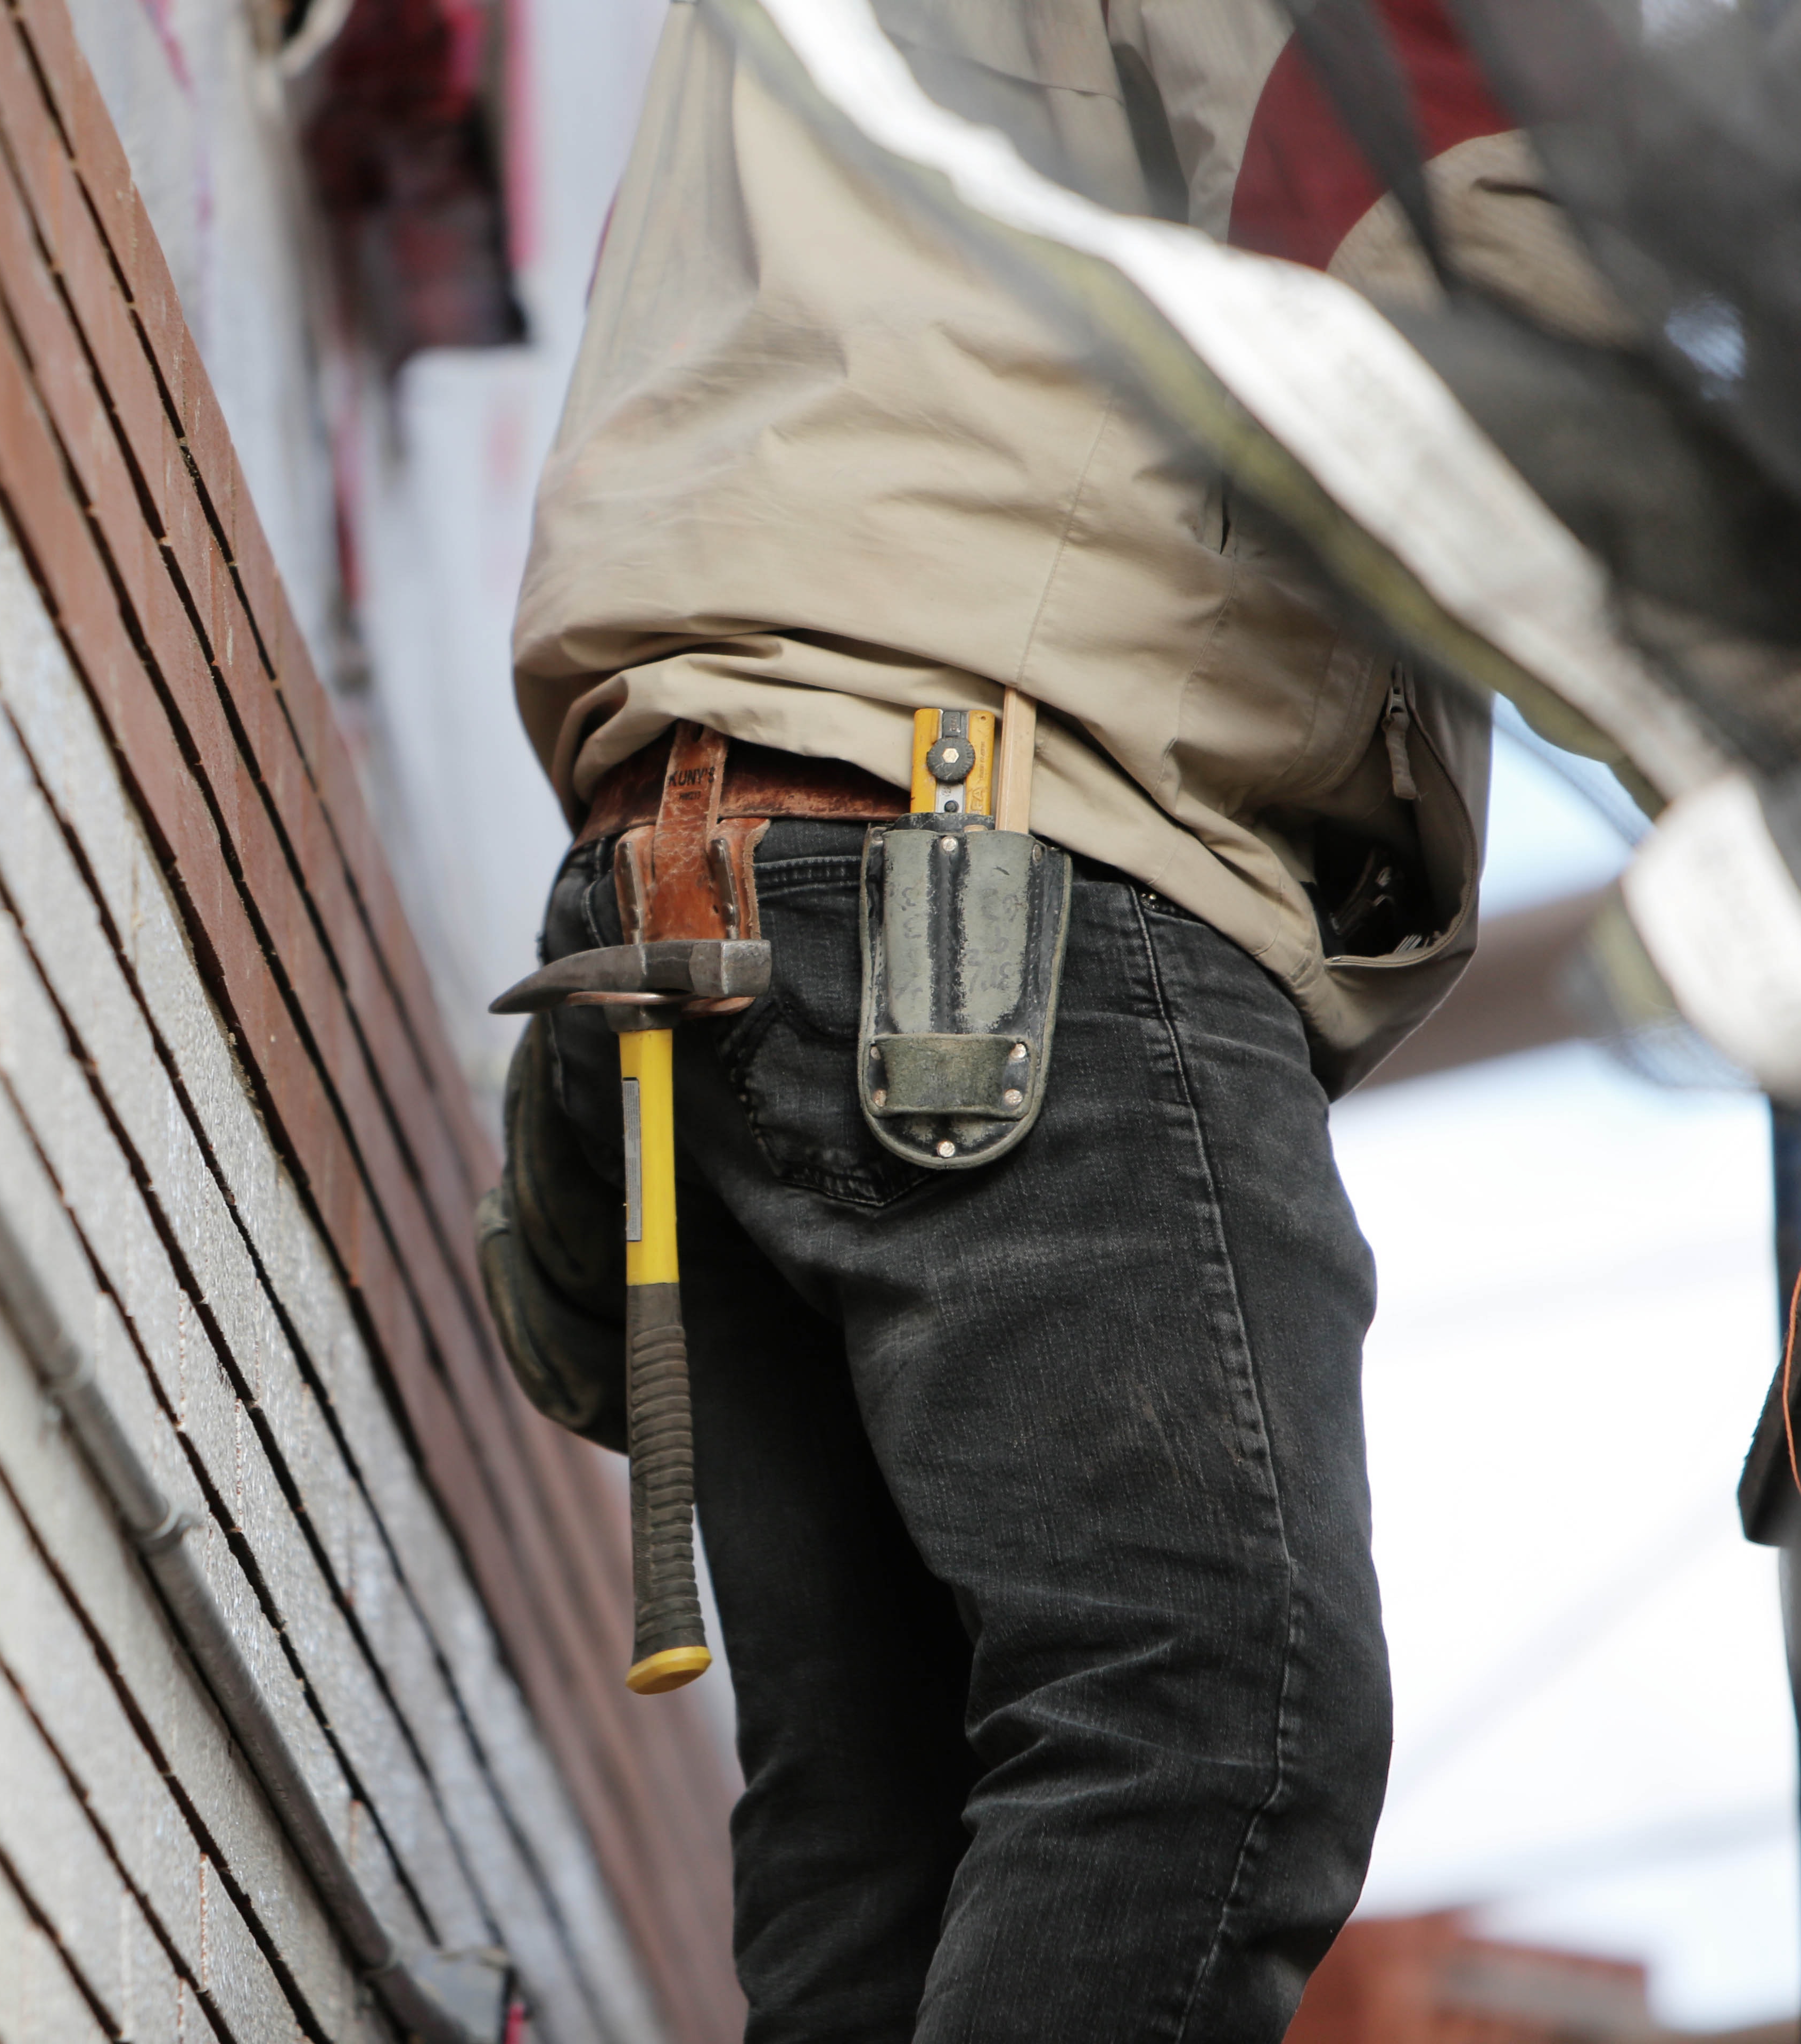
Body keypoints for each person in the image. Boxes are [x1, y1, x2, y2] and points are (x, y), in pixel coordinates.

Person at [484, 2, 1640, 2036]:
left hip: (723, 868)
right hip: (993, 859)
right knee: (1214, 1719)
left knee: (887, 1852)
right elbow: (1460, 284)